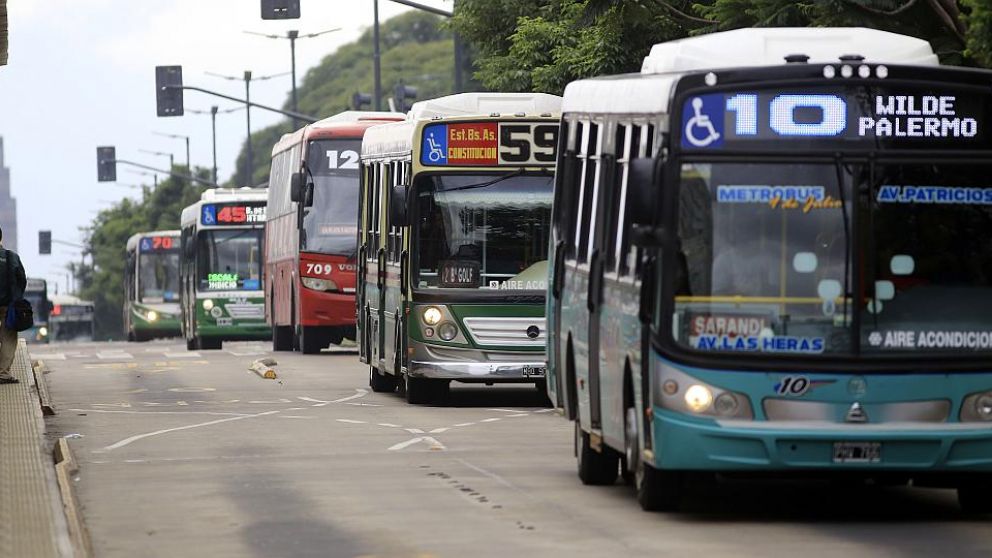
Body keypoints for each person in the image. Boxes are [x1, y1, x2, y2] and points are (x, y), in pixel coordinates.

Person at [0, 227, 26, 384]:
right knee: (9, 338)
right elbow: (22, 280)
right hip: (7, 306)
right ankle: (3, 373)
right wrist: (16, 298)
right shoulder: (12, 257)